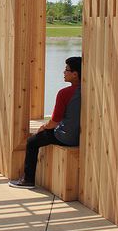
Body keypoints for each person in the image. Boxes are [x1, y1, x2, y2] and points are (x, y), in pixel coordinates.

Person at [9, 56, 82, 189]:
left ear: (75, 74)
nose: (63, 73)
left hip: (66, 137)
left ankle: (28, 180)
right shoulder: (86, 91)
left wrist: (43, 127)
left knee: (32, 142)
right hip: (80, 137)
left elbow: (54, 121)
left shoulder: (64, 93)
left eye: (66, 70)